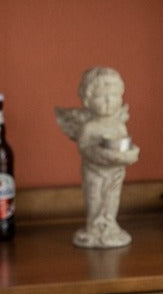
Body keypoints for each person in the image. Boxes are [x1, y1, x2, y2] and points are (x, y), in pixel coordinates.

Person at [55, 67, 141, 249]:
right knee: (95, 197)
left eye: (114, 95)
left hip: (115, 172)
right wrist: (104, 154)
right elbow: (84, 148)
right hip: (94, 172)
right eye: (101, 96)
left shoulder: (119, 126)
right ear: (87, 100)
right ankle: (94, 228)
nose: (109, 101)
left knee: (112, 198)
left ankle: (109, 225)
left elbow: (125, 145)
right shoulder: (90, 127)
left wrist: (129, 154)